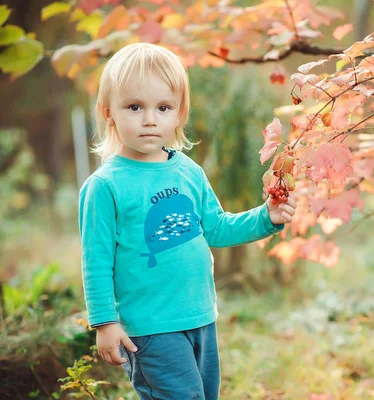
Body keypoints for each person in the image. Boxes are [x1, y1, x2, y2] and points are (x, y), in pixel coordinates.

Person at [78, 42, 296, 400]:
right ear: (108, 113)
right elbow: (96, 261)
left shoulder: (188, 171)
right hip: (150, 328)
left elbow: (216, 228)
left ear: (179, 114)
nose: (150, 119)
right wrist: (104, 323)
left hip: (200, 317)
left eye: (163, 107)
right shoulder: (105, 186)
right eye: (135, 107)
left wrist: (266, 217)